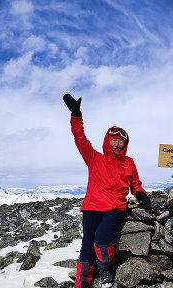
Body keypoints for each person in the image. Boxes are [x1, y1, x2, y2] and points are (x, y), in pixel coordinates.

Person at [63, 94, 151, 288]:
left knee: (102, 238)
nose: (116, 144)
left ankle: (105, 272)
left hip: (114, 207)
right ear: (107, 140)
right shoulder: (95, 158)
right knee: (87, 248)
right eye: (113, 140)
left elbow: (135, 183)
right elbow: (80, 139)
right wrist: (76, 116)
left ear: (125, 144)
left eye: (121, 141)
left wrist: (140, 193)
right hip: (92, 207)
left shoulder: (129, 162)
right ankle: (82, 284)